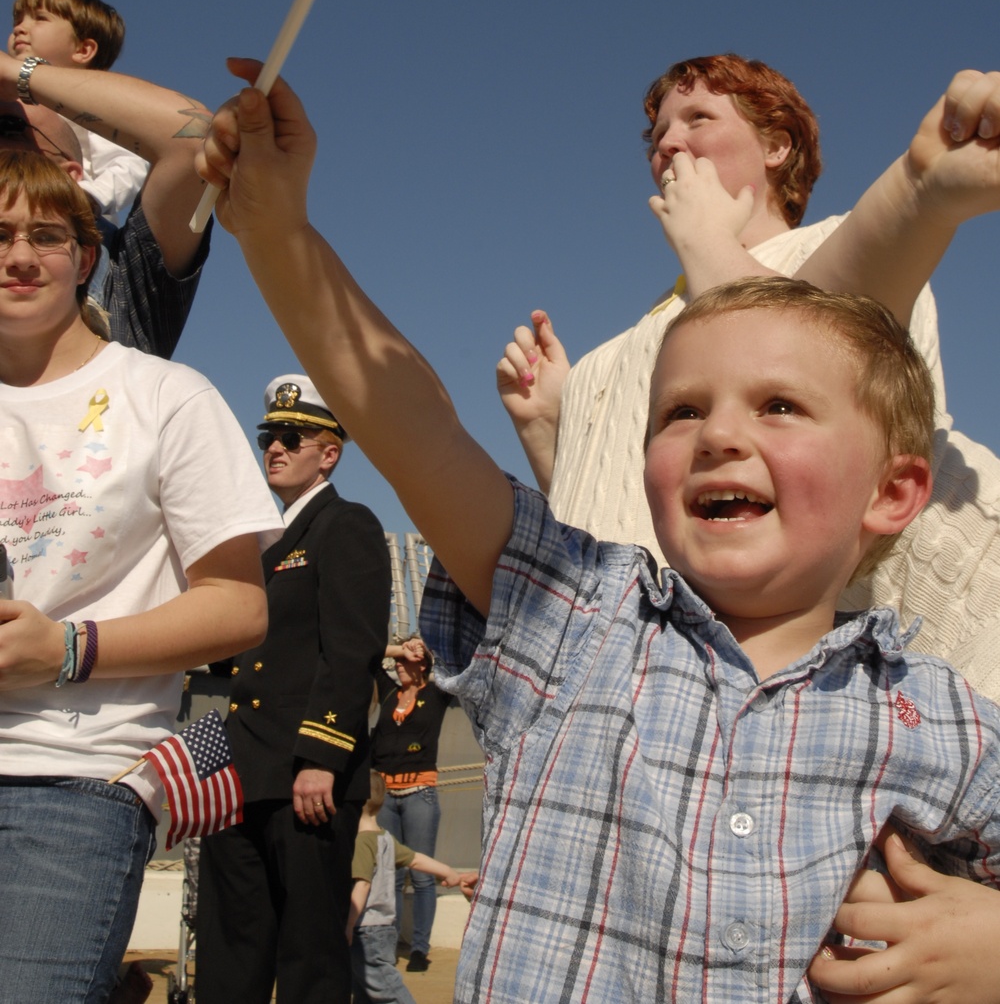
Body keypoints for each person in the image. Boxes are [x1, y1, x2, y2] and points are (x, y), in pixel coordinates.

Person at [196, 65, 1000, 1004]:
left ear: (895, 491)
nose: (720, 436)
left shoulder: (945, 719)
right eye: (680, 412)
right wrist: (280, 237)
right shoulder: (579, 629)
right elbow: (414, 427)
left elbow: (834, 304)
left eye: (778, 406)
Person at [0, 148, 279, 1003]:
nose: (18, 256)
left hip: (70, 787)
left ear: (86, 259)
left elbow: (237, 607)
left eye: (46, 236)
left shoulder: (165, 396)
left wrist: (66, 649)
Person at [497, 54, 942, 560]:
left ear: (776, 145)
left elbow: (848, 429)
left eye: (698, 118)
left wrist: (706, 241)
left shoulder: (842, 247)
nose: (666, 145)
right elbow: (614, 515)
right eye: (656, 135)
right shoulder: (641, 331)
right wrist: (550, 426)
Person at [196, 373, 393, 1004]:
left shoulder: (347, 525)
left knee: (308, 958)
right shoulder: (265, 549)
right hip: (243, 777)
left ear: (328, 453)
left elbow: (350, 648)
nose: (273, 448)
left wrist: (320, 759)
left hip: (306, 780)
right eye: (267, 437)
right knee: (230, 951)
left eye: (290, 436)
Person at [0, 40, 214, 356]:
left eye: (9, 127)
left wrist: (15, 72)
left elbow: (194, 136)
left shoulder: (120, 271)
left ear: (69, 177)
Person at [10, 0, 147, 220]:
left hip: (73, 224)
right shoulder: (9, 99)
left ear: (83, 50)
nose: (20, 28)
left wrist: (88, 197)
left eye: (39, 18)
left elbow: (127, 163)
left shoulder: (92, 103)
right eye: (18, 20)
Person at [348, 772, 471, 1004]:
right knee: (364, 990)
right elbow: (416, 859)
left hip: (365, 930)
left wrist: (348, 924)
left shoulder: (361, 841)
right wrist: (449, 873)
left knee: (386, 988)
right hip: (384, 928)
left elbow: (362, 885)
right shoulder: (385, 838)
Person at [373, 637, 453, 972]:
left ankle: (419, 948)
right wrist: (397, 649)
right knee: (390, 874)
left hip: (420, 793)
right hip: (386, 796)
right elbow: (369, 654)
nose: (402, 664)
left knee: (421, 875)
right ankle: (388, 948)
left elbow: (456, 669)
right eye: (401, 659)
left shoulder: (436, 695)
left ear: (424, 665)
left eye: (410, 659)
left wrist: (429, 648)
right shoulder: (390, 692)